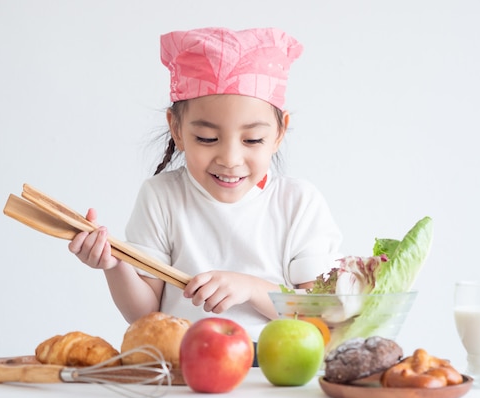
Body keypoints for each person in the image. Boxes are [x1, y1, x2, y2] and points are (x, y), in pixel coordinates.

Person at [68, 27, 342, 346]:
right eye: (207, 139)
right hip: (185, 366)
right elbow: (143, 314)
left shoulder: (299, 203)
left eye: (252, 139)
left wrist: (253, 289)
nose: (229, 159)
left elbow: (319, 314)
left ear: (280, 133)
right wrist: (113, 265)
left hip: (273, 371)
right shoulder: (161, 198)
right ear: (177, 129)